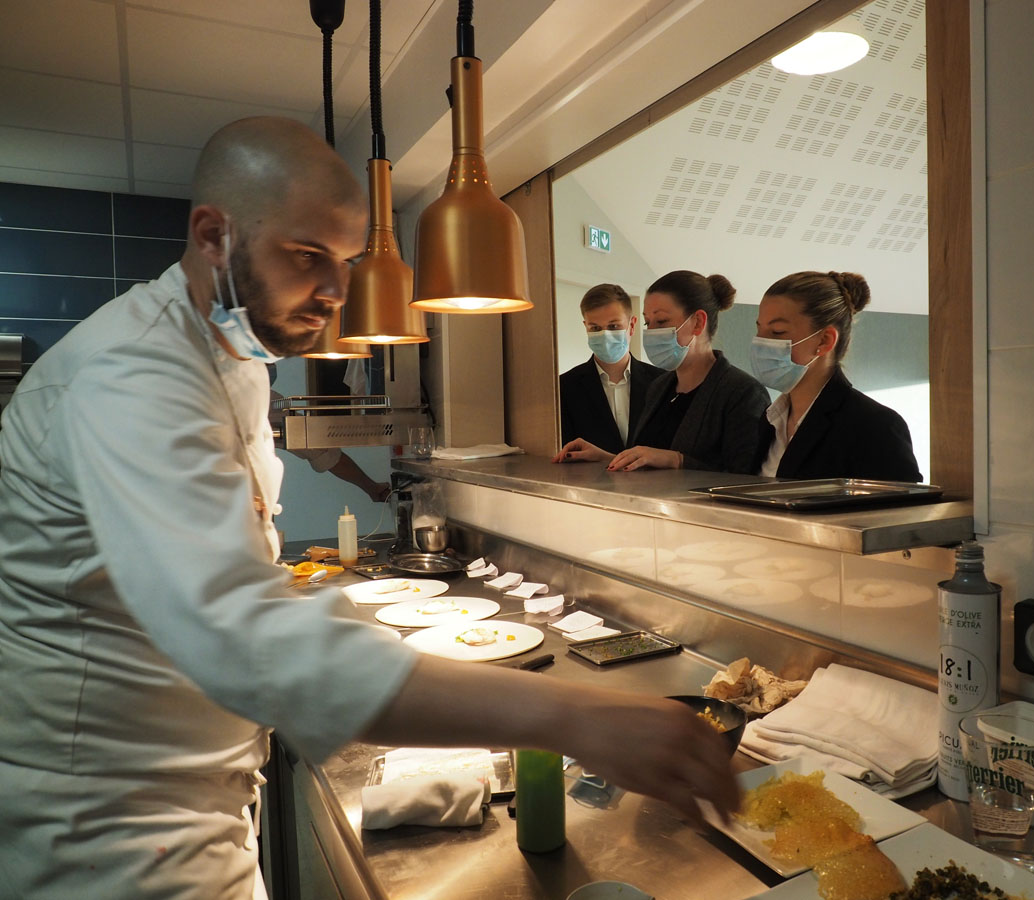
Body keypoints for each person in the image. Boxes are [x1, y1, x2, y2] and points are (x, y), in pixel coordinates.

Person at [0, 117, 738, 899]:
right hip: (105, 828)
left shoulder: (227, 358)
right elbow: (243, 637)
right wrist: (577, 717)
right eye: (306, 255)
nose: (335, 293)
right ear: (212, 234)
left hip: (193, 796)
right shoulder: (133, 375)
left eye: (347, 263)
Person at [554, 271, 768, 472]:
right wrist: (608, 459)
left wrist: (677, 460)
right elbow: (650, 464)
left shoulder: (742, 393)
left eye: (662, 321)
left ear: (698, 322)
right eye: (649, 323)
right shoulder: (660, 388)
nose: (652, 333)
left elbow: (744, 479)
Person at [749, 271, 921, 481]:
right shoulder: (769, 421)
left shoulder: (875, 426)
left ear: (825, 340)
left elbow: (900, 512)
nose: (761, 343)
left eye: (777, 332)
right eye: (759, 331)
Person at [558, 283, 664, 454]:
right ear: (586, 327)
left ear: (632, 325)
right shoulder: (563, 387)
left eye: (614, 326)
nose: (605, 335)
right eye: (595, 328)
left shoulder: (662, 383)